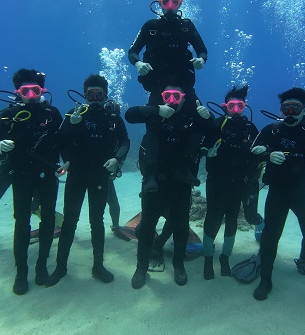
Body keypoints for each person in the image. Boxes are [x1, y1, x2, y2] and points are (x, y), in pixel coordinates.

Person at [250, 87, 305, 314]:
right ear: (281, 110)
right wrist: (267, 155)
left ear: (304, 110)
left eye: (295, 108)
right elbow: (251, 152)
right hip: (278, 193)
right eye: (286, 108)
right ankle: (266, 281)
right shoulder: (272, 130)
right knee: (270, 237)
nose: (290, 112)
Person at [125, 83, 216, 288]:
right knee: (147, 226)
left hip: (181, 183)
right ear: (162, 97)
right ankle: (141, 267)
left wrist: (208, 117)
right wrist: (155, 109)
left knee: (181, 226)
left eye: (177, 96)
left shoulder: (192, 118)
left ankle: (178, 264)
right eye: (168, 96)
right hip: (153, 182)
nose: (172, 101)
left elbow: (215, 132)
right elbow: (130, 115)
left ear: (184, 98)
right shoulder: (156, 115)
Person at [0, 68, 65, 295]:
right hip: (20, 173)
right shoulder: (8, 114)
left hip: (47, 174)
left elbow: (64, 140)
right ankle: (21, 271)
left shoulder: (52, 113)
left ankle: (41, 266)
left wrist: (69, 161)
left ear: (43, 91)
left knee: (48, 220)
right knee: (21, 221)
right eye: (25, 91)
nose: (30, 95)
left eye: (35, 90)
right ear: (17, 92)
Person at [46, 75, 130, 287]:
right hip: (77, 175)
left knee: (97, 221)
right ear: (84, 95)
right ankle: (60, 267)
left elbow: (125, 141)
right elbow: (58, 140)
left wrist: (117, 159)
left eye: (98, 95)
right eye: (90, 94)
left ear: (105, 96)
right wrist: (71, 127)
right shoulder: (74, 114)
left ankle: (98, 266)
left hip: (100, 176)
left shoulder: (112, 118)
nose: (94, 99)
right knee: (70, 221)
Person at [128, 0, 209, 192]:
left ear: (180, 3)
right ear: (159, 2)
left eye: (175, 1)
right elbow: (133, 51)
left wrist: (201, 59)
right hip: (157, 88)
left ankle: (186, 168)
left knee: (200, 121)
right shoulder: (150, 26)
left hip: (184, 89)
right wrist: (137, 63)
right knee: (153, 126)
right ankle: (150, 175)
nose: (171, 6)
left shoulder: (186, 26)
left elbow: (202, 49)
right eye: (166, 1)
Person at [202, 85, 260, 280]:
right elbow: (202, 145)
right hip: (216, 181)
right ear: (224, 106)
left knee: (232, 218)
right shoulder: (217, 125)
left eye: (240, 106)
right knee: (212, 217)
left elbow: (261, 151)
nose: (236, 110)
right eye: (231, 106)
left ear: (245, 107)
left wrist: (262, 162)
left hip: (239, 182)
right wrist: (207, 152)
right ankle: (208, 258)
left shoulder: (250, 128)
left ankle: (225, 257)